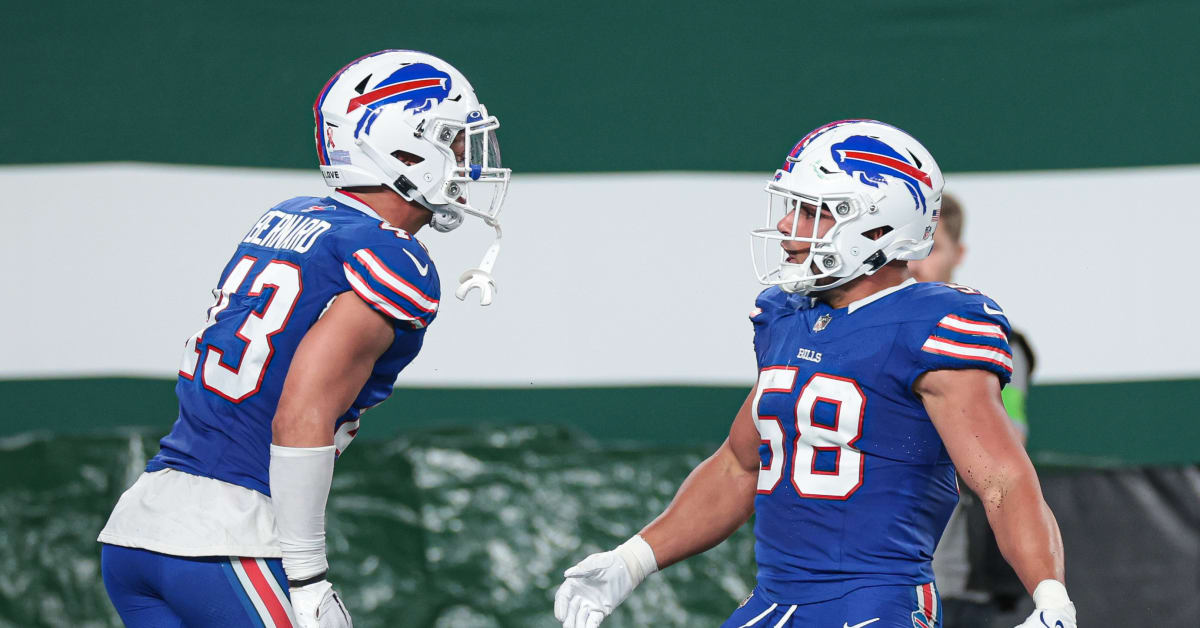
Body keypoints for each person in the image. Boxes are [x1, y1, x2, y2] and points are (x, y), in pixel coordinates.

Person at [553, 120, 1075, 628]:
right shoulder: (788, 316)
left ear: (875, 226)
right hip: (776, 600)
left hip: (875, 603)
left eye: (812, 212)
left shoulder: (931, 325)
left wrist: (1050, 598)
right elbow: (740, 464)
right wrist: (631, 561)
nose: (786, 226)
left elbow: (1003, 481)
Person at [97, 49, 510, 627]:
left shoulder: (290, 216)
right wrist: (309, 577)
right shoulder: (390, 257)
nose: (468, 157)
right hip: (227, 536)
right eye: (454, 138)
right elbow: (300, 414)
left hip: (141, 526)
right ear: (403, 145)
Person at [911, 195, 1039, 626]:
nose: (914, 264)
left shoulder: (994, 345)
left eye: (930, 248)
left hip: (951, 584)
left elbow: (1006, 446)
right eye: (906, 249)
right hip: (864, 579)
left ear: (958, 254)